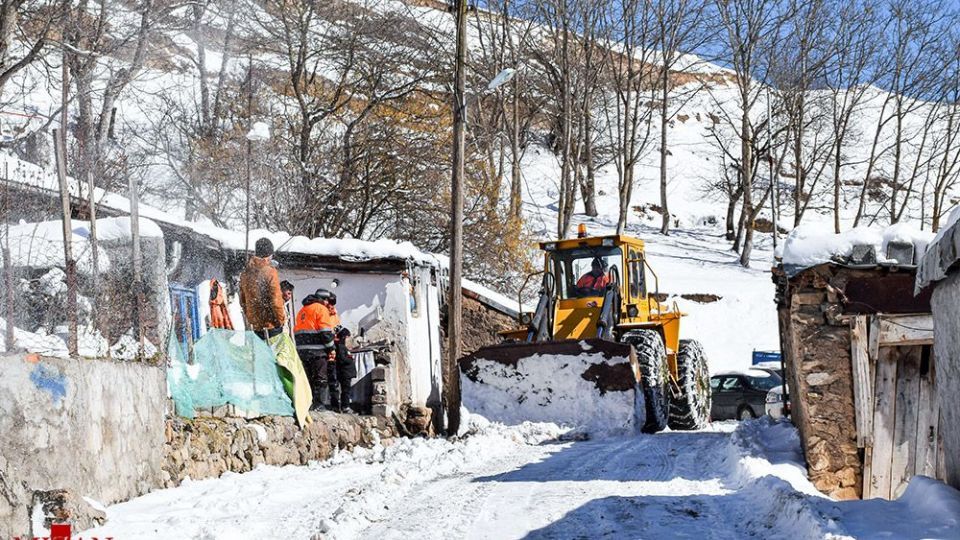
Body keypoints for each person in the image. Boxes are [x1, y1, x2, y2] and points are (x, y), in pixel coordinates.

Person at [294, 289, 336, 410]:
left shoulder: (303, 310)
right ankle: (320, 405)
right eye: (327, 300)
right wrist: (331, 349)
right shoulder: (321, 309)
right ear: (324, 299)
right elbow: (325, 332)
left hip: (302, 351)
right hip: (317, 351)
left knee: (307, 378)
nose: (328, 303)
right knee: (321, 378)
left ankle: (308, 404)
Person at [239, 238, 286, 340]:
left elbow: (242, 301)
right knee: (276, 354)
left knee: (260, 355)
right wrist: (280, 320)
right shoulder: (269, 272)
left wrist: (251, 318)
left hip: (255, 328)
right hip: (271, 325)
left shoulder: (246, 273)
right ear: (269, 254)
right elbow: (276, 300)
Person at [325, 291, 356, 413]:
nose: (332, 306)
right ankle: (336, 406)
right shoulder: (323, 314)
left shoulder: (334, 315)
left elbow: (336, 330)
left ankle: (339, 406)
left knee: (336, 385)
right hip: (328, 353)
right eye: (330, 303)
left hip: (334, 353)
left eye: (333, 303)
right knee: (333, 384)